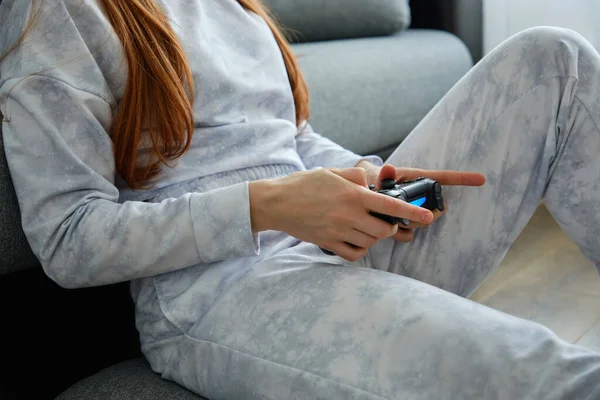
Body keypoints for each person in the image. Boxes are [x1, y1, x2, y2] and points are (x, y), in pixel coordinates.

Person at [1, 0, 599, 398]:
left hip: (336, 237)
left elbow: (291, 140)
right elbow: (68, 239)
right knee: (552, 378)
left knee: (556, 60)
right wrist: (266, 205)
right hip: (222, 292)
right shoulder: (58, 13)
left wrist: (366, 177)